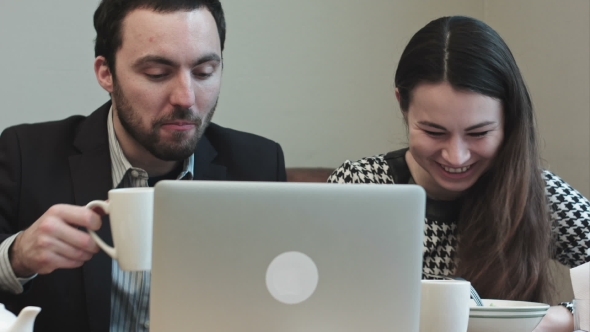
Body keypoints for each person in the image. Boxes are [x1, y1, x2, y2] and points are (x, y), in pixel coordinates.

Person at [0, 0, 286, 331]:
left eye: (204, 72)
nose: (186, 97)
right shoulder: (26, 155)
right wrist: (16, 257)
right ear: (106, 73)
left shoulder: (258, 166)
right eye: (157, 74)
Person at [328, 16, 589, 332]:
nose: (456, 156)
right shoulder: (359, 187)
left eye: (478, 133)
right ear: (402, 104)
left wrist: (558, 318)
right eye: (434, 131)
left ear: (508, 119)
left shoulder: (537, 192)